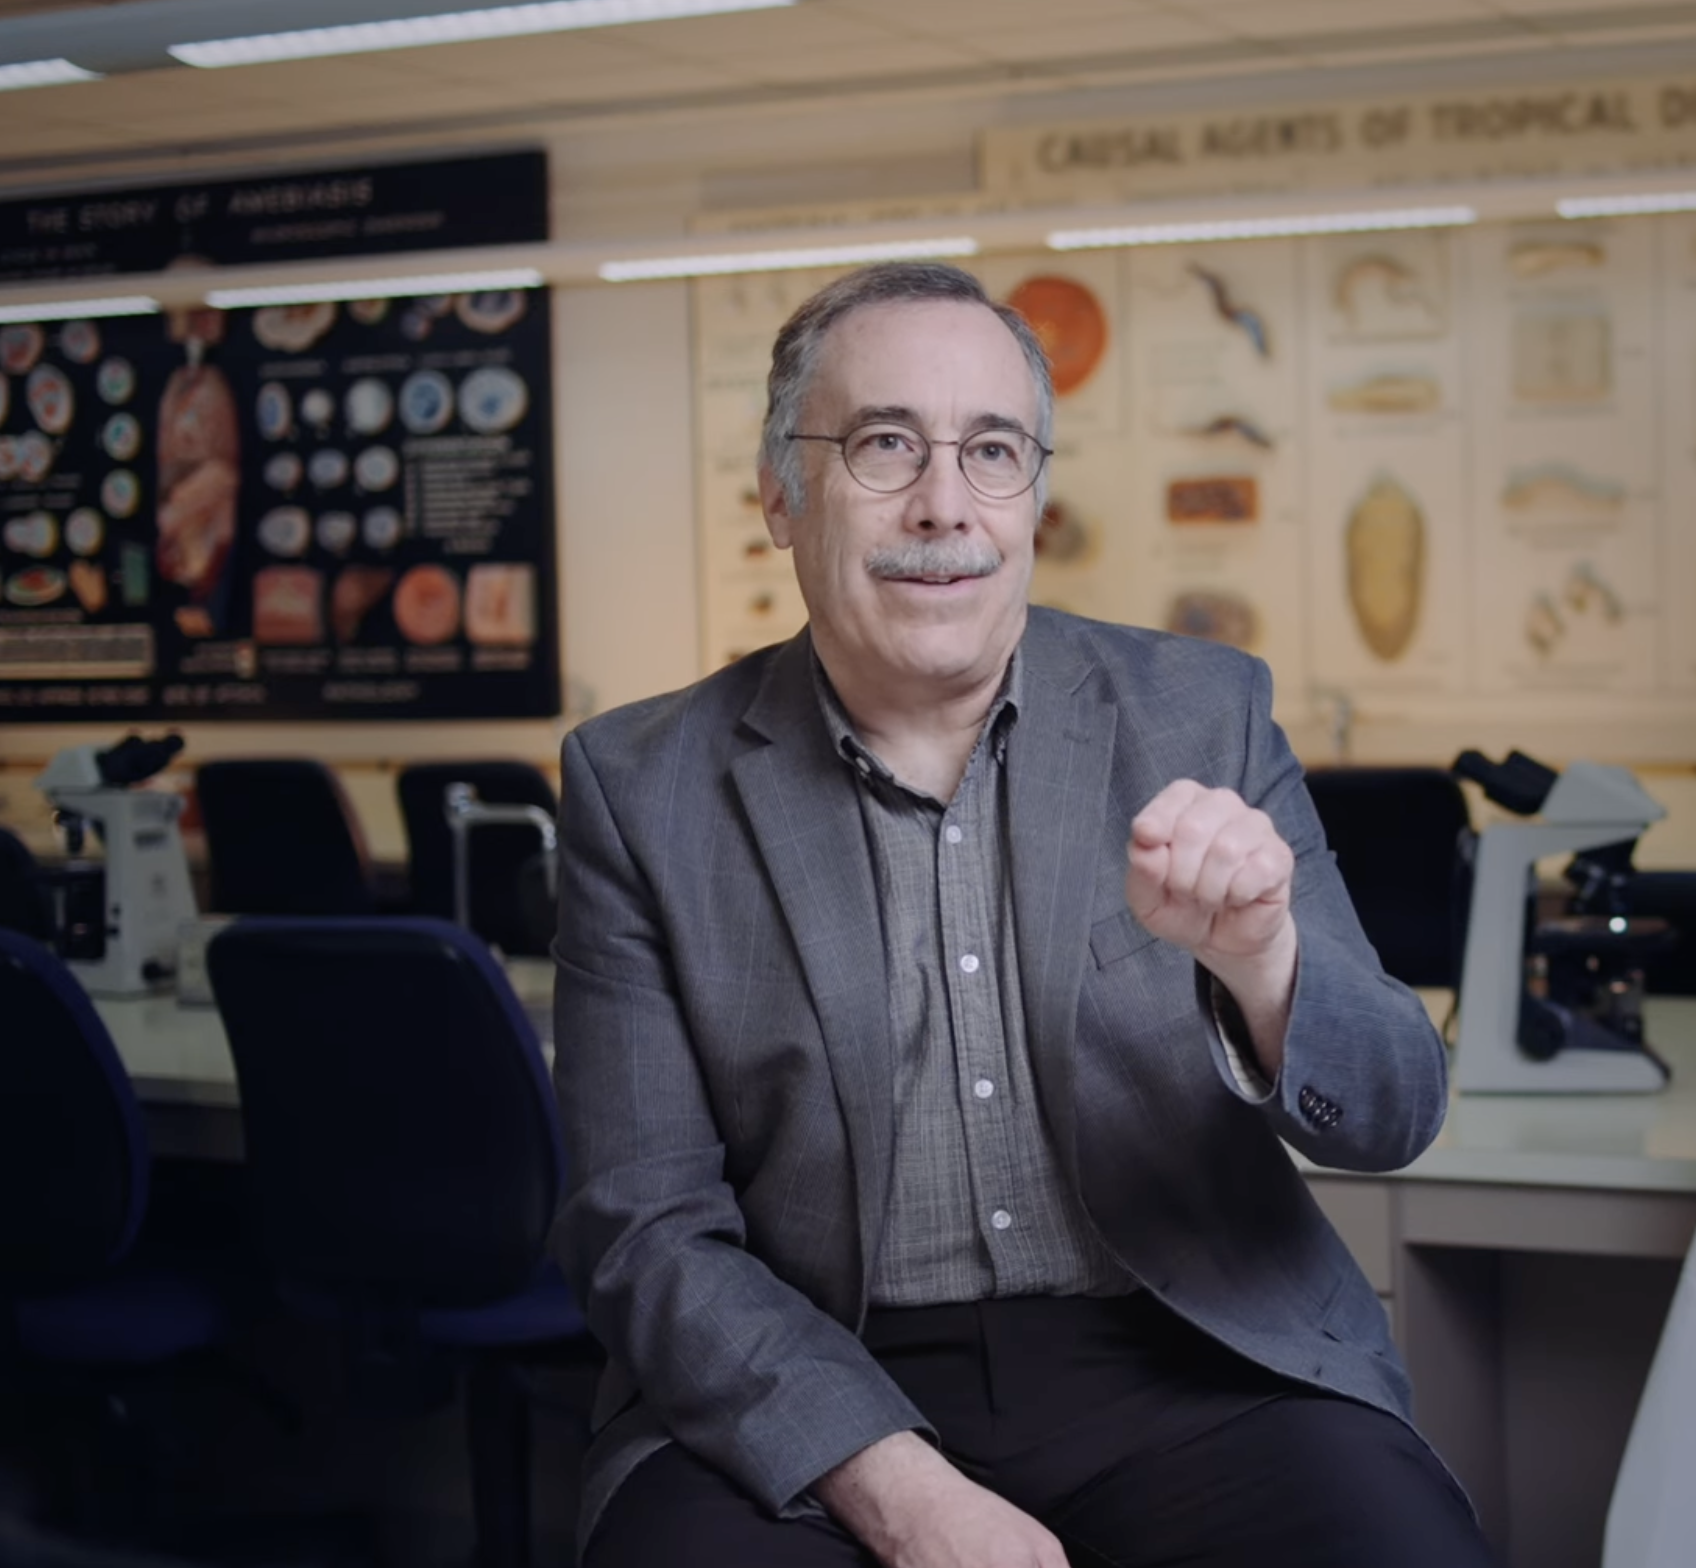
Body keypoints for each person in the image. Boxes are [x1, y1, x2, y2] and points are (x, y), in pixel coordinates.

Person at [552, 261, 1493, 1568]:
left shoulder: (1197, 715)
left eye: (991, 450)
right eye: (884, 445)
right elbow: (639, 1227)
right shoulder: (642, 786)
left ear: (1035, 494)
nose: (945, 506)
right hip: (815, 1364)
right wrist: (900, 1492)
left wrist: (1262, 964)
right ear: (779, 495)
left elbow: (1393, 1109)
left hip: (1188, 1359)